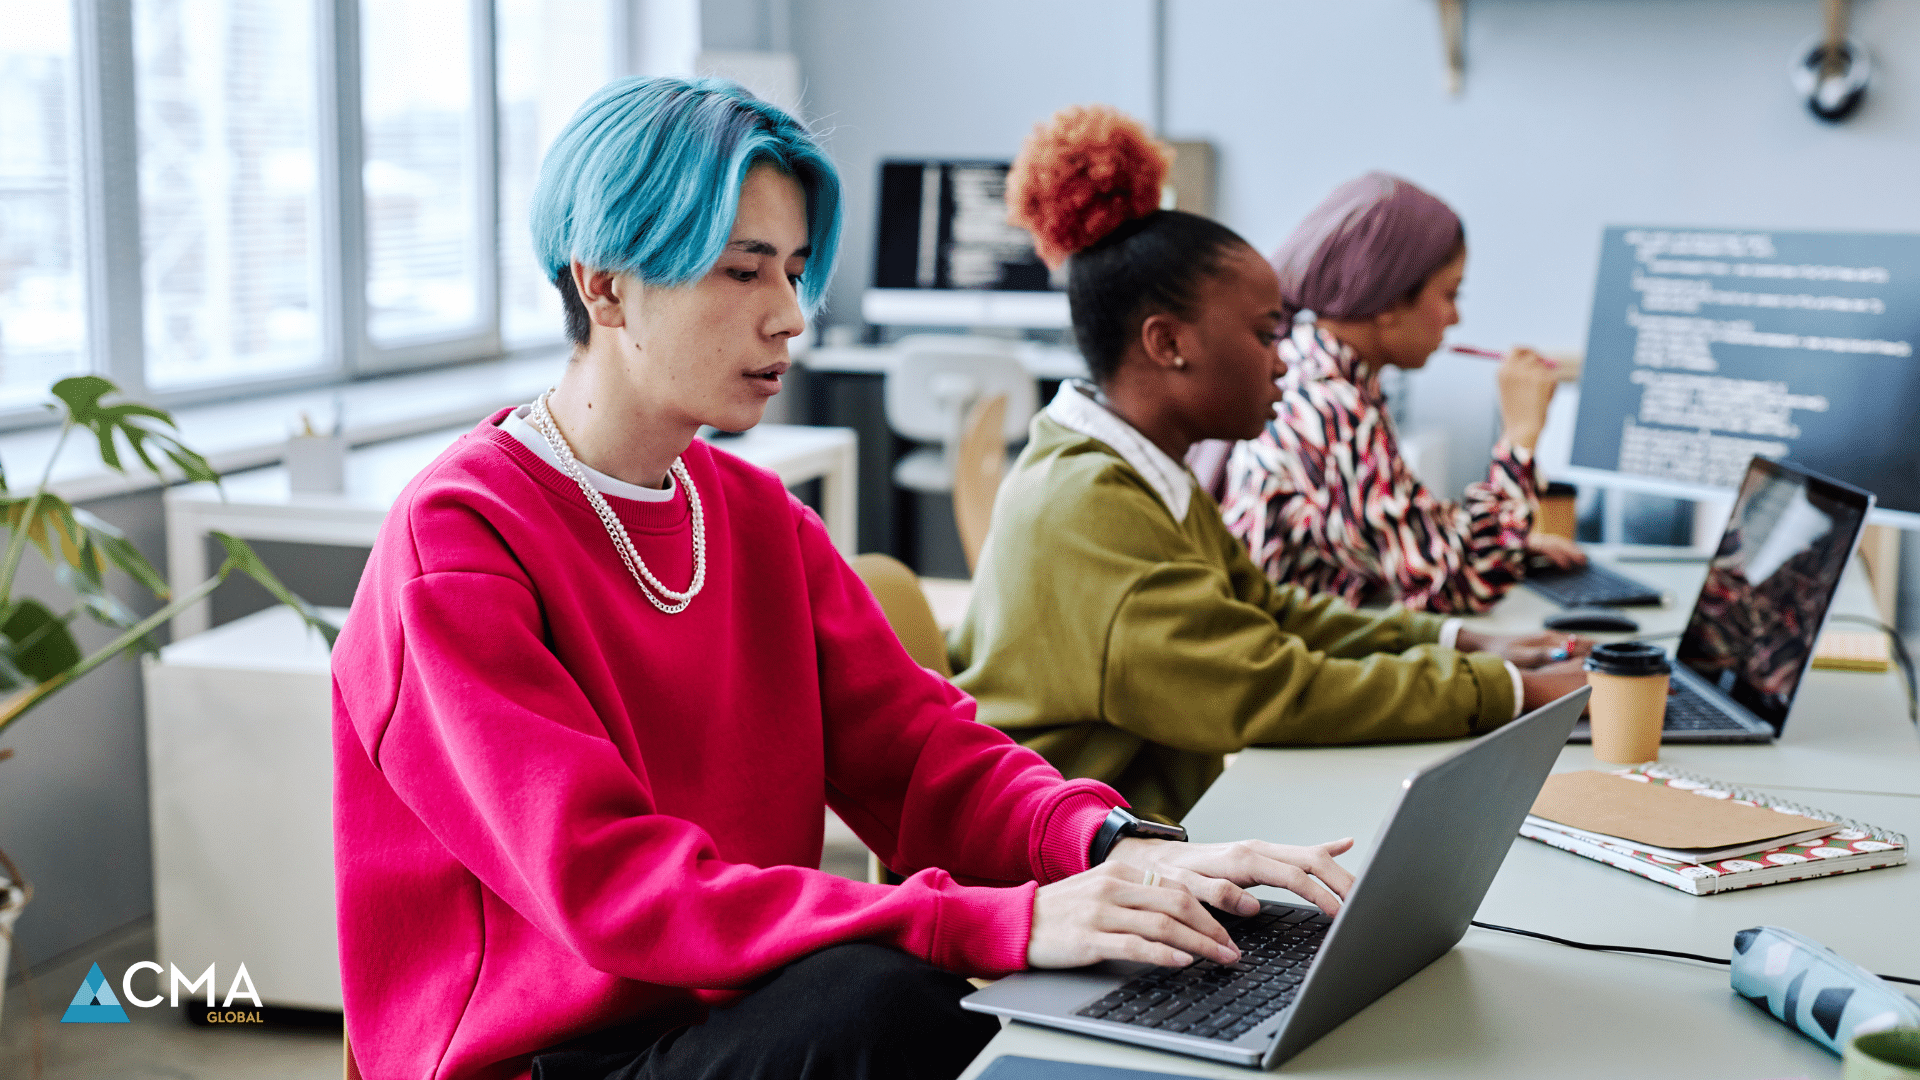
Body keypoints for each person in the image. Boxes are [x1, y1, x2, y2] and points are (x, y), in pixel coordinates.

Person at [330, 78, 1359, 1080]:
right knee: (900, 989)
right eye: (744, 272)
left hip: (732, 1008)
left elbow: (925, 758)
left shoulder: (752, 515)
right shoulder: (459, 541)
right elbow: (615, 892)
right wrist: (999, 919)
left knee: (1089, 966)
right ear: (604, 285)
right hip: (550, 1058)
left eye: (796, 270)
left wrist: (1111, 847)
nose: (791, 318)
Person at [949, 106, 1590, 825]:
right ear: (1167, 344)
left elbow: (1271, 613)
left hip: (1137, 830)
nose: (1285, 359)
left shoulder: (1138, 469)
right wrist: (1508, 689)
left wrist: (1463, 642)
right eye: (1265, 334)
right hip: (1049, 873)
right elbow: (1267, 689)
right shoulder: (1090, 507)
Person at [1217, 172, 1584, 615]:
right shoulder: (1330, 406)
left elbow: (1398, 533)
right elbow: (1458, 586)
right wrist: (1521, 436)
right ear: (1389, 304)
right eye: (1450, 294)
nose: (1455, 318)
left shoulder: (1317, 370)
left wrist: (1511, 546)